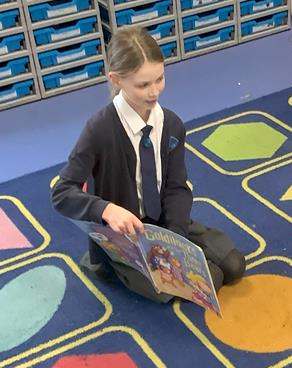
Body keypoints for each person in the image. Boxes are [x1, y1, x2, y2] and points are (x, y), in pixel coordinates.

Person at [52, 26, 246, 302]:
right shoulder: (100, 129)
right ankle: (109, 266)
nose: (154, 92)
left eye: (160, 79)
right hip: (124, 235)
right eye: (143, 85)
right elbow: (62, 193)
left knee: (234, 266)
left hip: (163, 223)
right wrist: (106, 209)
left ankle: (174, 249)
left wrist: (177, 239)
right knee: (209, 279)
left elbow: (177, 187)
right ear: (116, 80)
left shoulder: (172, 125)